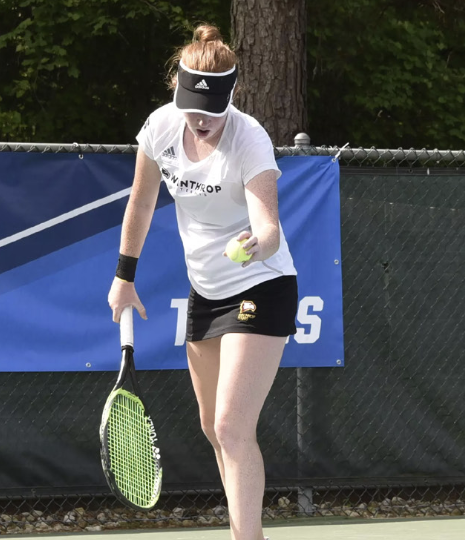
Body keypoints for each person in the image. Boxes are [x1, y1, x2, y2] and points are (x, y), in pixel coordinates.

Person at [106, 24, 296, 540]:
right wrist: (125, 277)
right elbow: (142, 203)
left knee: (234, 427)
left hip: (260, 285)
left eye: (211, 112)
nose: (200, 121)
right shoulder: (161, 127)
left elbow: (270, 227)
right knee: (212, 427)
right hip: (205, 293)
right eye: (191, 107)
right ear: (177, 91)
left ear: (230, 100)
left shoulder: (249, 138)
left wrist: (258, 240)